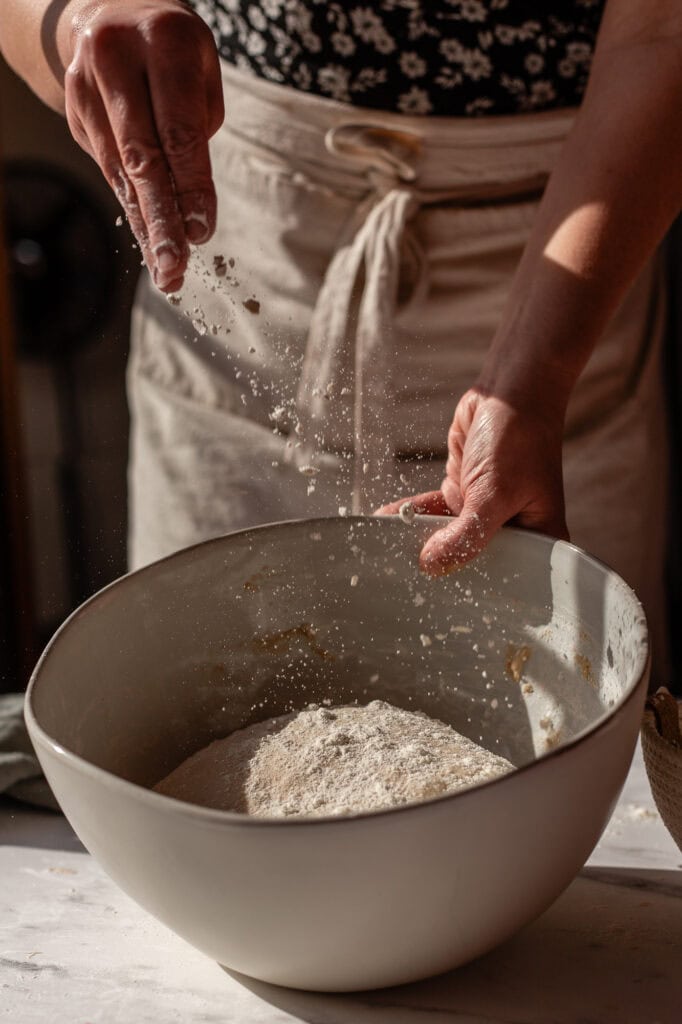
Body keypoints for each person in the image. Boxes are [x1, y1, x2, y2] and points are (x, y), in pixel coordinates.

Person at [1, 1, 680, 684]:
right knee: (193, 704)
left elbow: (662, 32)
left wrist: (534, 380)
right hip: (235, 270)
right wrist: (78, 22)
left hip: (573, 271)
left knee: (571, 717)